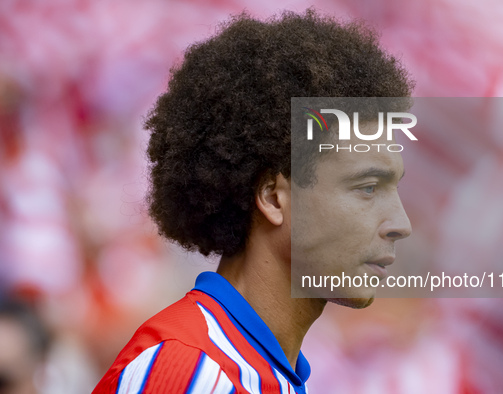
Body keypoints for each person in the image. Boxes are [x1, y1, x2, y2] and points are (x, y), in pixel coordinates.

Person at [93, 9, 413, 394]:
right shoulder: (194, 373)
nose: (400, 222)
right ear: (273, 197)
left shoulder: (260, 374)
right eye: (367, 188)